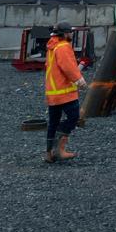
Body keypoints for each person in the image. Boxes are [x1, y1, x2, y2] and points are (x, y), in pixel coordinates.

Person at [44, 22, 87, 162]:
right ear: (65, 33)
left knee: (53, 121)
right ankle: (59, 149)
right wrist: (79, 80)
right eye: (70, 32)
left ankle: (49, 153)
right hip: (65, 92)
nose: (72, 34)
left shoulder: (52, 46)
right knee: (74, 117)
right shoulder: (63, 46)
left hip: (53, 92)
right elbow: (68, 67)